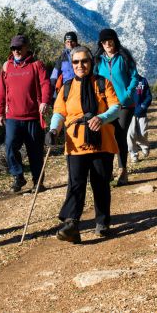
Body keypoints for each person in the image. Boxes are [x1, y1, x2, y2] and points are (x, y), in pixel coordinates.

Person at [46, 46, 121, 243]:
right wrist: (54, 131)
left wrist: (102, 118)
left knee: (101, 182)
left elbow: (116, 107)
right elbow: (59, 113)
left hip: (102, 141)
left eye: (84, 61)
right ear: (72, 65)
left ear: (91, 62)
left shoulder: (103, 83)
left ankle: (102, 223)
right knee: (76, 183)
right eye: (76, 62)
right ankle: (72, 224)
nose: (81, 65)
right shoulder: (67, 87)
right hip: (75, 142)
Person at [0, 35, 52, 193]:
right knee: (10, 147)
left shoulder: (36, 65)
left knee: (35, 151)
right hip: (13, 116)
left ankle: (38, 182)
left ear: (27, 47)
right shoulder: (7, 67)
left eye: (19, 47)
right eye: (14, 48)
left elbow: (45, 84)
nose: (16, 51)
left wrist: (45, 101)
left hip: (33, 116)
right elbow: (1, 91)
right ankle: (18, 176)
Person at [93, 28, 138, 185]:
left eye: (110, 41)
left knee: (119, 134)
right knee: (108, 135)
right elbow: (94, 80)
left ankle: (122, 170)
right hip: (107, 106)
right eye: (104, 42)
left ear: (115, 41)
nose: (107, 44)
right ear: (101, 44)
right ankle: (108, 170)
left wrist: (127, 94)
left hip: (125, 104)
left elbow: (134, 77)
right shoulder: (98, 61)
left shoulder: (124, 57)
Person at [128, 73, 152, 163]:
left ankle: (145, 147)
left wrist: (143, 106)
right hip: (129, 113)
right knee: (130, 135)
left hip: (141, 112)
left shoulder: (143, 80)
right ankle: (134, 154)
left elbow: (148, 96)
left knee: (143, 133)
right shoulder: (125, 80)